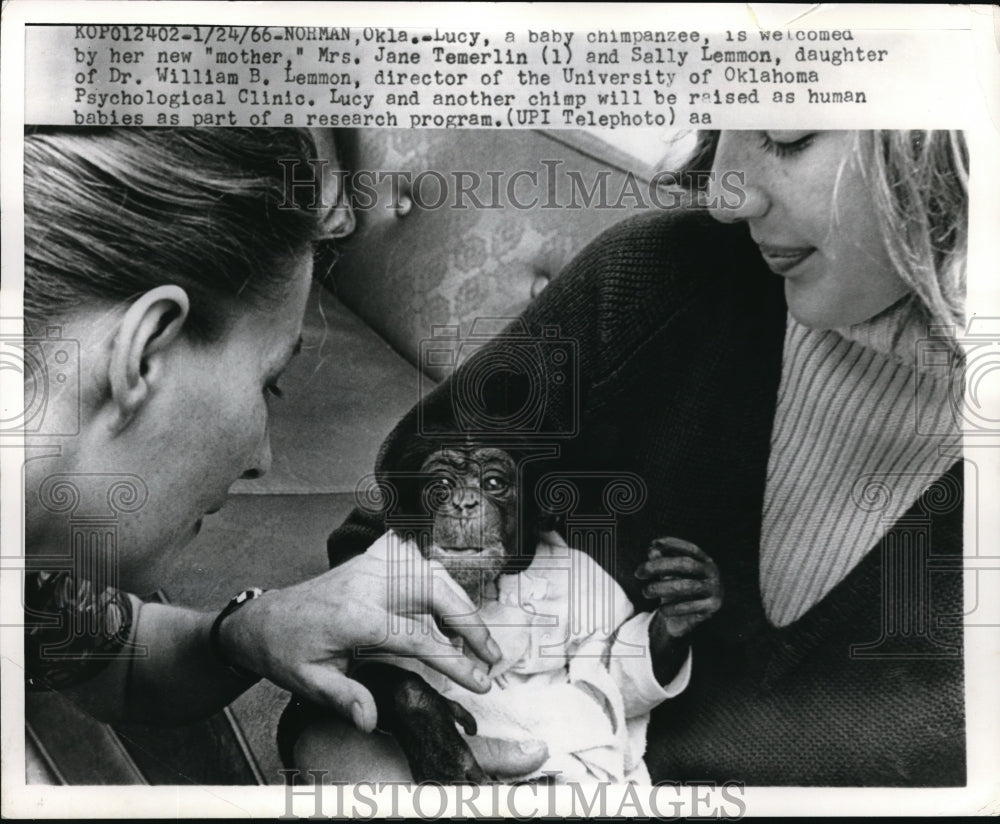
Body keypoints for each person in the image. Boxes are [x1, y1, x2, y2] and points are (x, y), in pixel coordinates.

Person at [294, 130, 968, 786]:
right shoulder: (666, 275)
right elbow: (368, 565)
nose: (724, 196)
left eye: (787, 136)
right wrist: (393, 710)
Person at [21, 127, 549, 779]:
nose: (261, 458)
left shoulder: (34, 577)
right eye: (270, 382)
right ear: (147, 352)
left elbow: (117, 660)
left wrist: (245, 633)